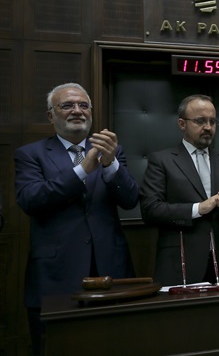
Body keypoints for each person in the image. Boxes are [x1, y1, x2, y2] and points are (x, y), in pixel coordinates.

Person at [14, 82, 139, 355]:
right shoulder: (30, 155)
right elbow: (31, 200)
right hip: (56, 276)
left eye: (84, 105)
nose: (77, 111)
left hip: (111, 272)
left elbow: (130, 201)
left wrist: (111, 165)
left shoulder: (112, 150)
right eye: (68, 105)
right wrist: (82, 170)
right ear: (51, 115)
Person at [140, 94, 219, 286]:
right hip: (180, 262)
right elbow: (150, 209)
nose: (208, 127)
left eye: (212, 121)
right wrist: (197, 209)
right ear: (182, 124)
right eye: (200, 121)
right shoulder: (162, 160)